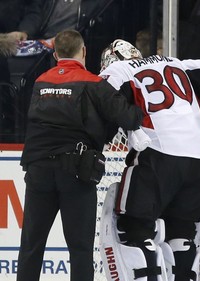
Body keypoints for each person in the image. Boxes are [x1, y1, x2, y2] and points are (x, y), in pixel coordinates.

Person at [98, 39, 200, 281]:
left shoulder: (119, 69)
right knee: (182, 233)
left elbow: (102, 99)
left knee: (134, 229)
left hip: (159, 154)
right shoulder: (176, 63)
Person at [16, 29, 144, 281]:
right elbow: (130, 117)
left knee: (31, 245)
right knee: (80, 249)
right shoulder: (94, 84)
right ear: (83, 51)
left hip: (38, 171)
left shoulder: (40, 81)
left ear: (55, 54)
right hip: (76, 172)